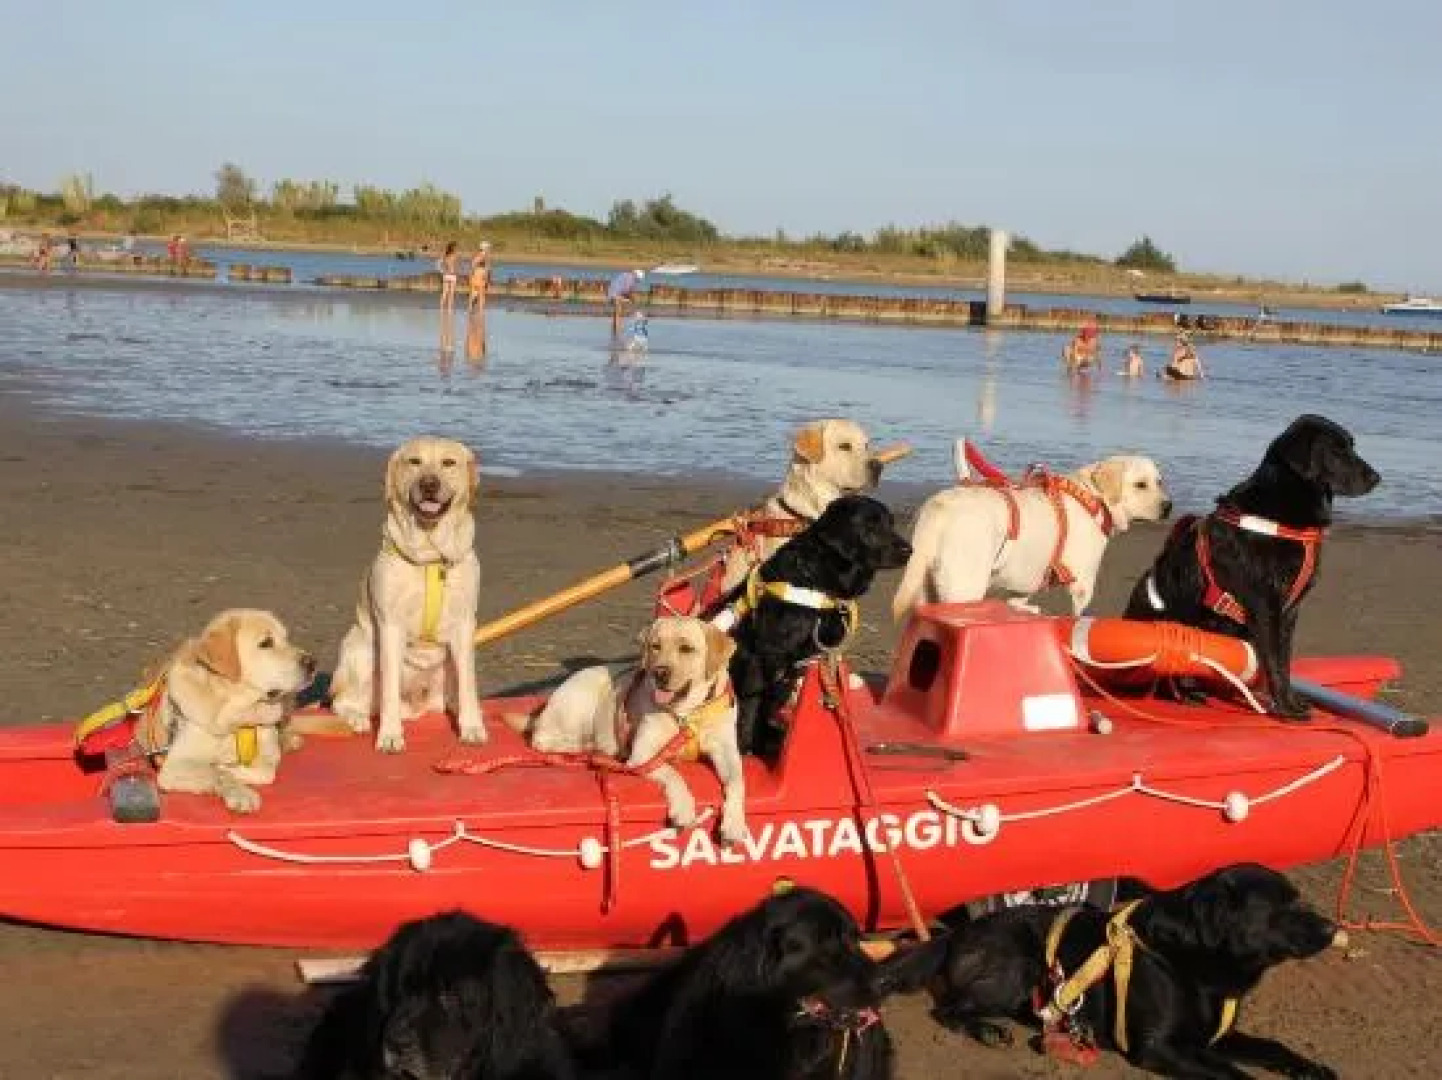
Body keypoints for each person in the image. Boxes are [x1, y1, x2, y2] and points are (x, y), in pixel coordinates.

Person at [607, 268, 646, 338]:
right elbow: (628, 291)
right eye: (638, 279)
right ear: (636, 276)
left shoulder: (627, 276)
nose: (638, 281)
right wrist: (632, 299)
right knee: (618, 313)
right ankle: (617, 331)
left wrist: (632, 299)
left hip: (615, 294)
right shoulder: (630, 278)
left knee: (619, 312)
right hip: (615, 295)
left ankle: (616, 330)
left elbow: (629, 291)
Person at [438, 241, 459, 313]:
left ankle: (441, 309)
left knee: (445, 292)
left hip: (446, 275)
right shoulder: (454, 255)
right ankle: (449, 309)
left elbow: (438, 263)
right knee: (451, 293)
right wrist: (442, 271)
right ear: (453, 248)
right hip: (452, 275)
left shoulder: (445, 255)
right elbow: (455, 265)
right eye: (455, 247)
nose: (456, 249)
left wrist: (442, 271)